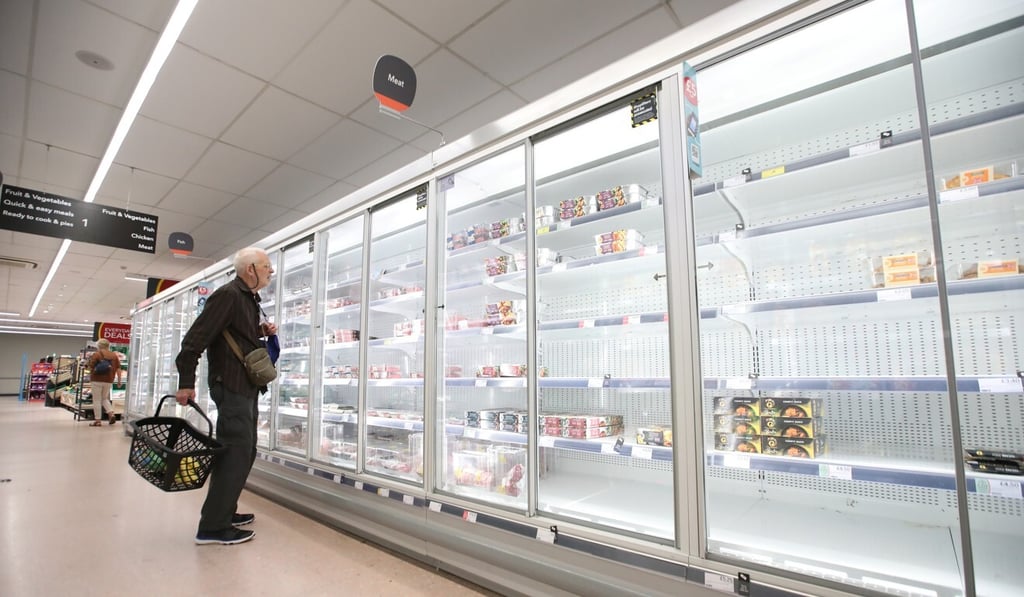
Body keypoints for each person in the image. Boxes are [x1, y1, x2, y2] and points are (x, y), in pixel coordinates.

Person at [175, 246, 277, 546]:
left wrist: (261, 330)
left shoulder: (248, 298)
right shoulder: (228, 295)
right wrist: (186, 382)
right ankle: (213, 527)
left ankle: (224, 511)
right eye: (266, 266)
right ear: (250, 269)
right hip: (231, 386)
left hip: (246, 385)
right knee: (234, 452)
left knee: (245, 452)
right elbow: (194, 340)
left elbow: (234, 335)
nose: (271, 271)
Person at [87, 338, 121, 426]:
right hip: (109, 380)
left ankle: (98, 420)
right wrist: (119, 381)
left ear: (98, 346)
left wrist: (89, 368)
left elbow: (91, 366)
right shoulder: (114, 355)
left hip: (97, 379)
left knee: (97, 400)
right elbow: (118, 368)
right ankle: (111, 413)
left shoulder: (97, 354)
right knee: (104, 398)